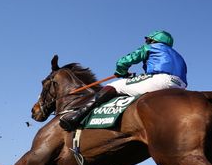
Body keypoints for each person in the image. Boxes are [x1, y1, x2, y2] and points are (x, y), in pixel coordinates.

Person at [59, 30, 188, 131]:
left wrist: (122, 72)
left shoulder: (151, 48)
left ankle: (77, 116)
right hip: (181, 86)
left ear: (153, 40)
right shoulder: (178, 55)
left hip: (160, 81)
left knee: (114, 86)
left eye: (148, 40)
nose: (146, 42)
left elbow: (124, 61)